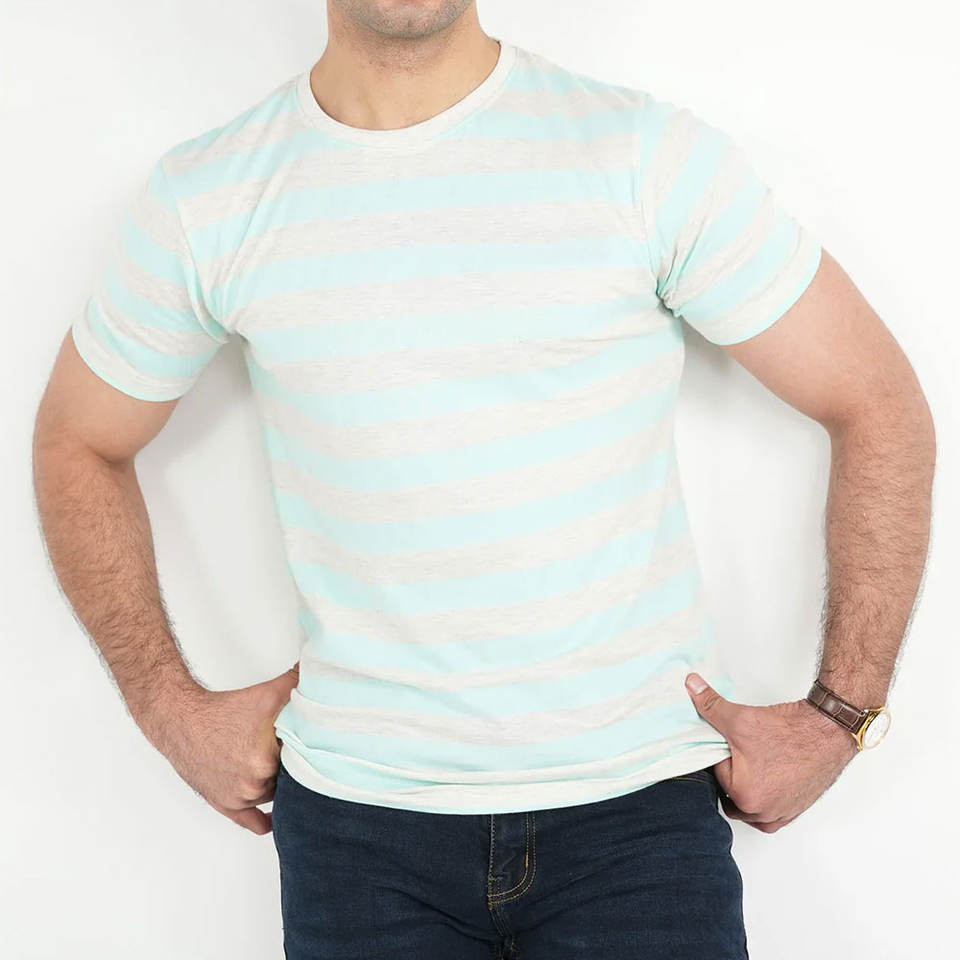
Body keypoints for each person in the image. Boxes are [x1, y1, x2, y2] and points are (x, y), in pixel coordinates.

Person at [32, 2, 935, 958]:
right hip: (358, 835)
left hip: (636, 821)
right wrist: (167, 708)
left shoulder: (638, 154)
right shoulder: (209, 196)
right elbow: (76, 443)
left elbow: (877, 403)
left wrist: (840, 716)